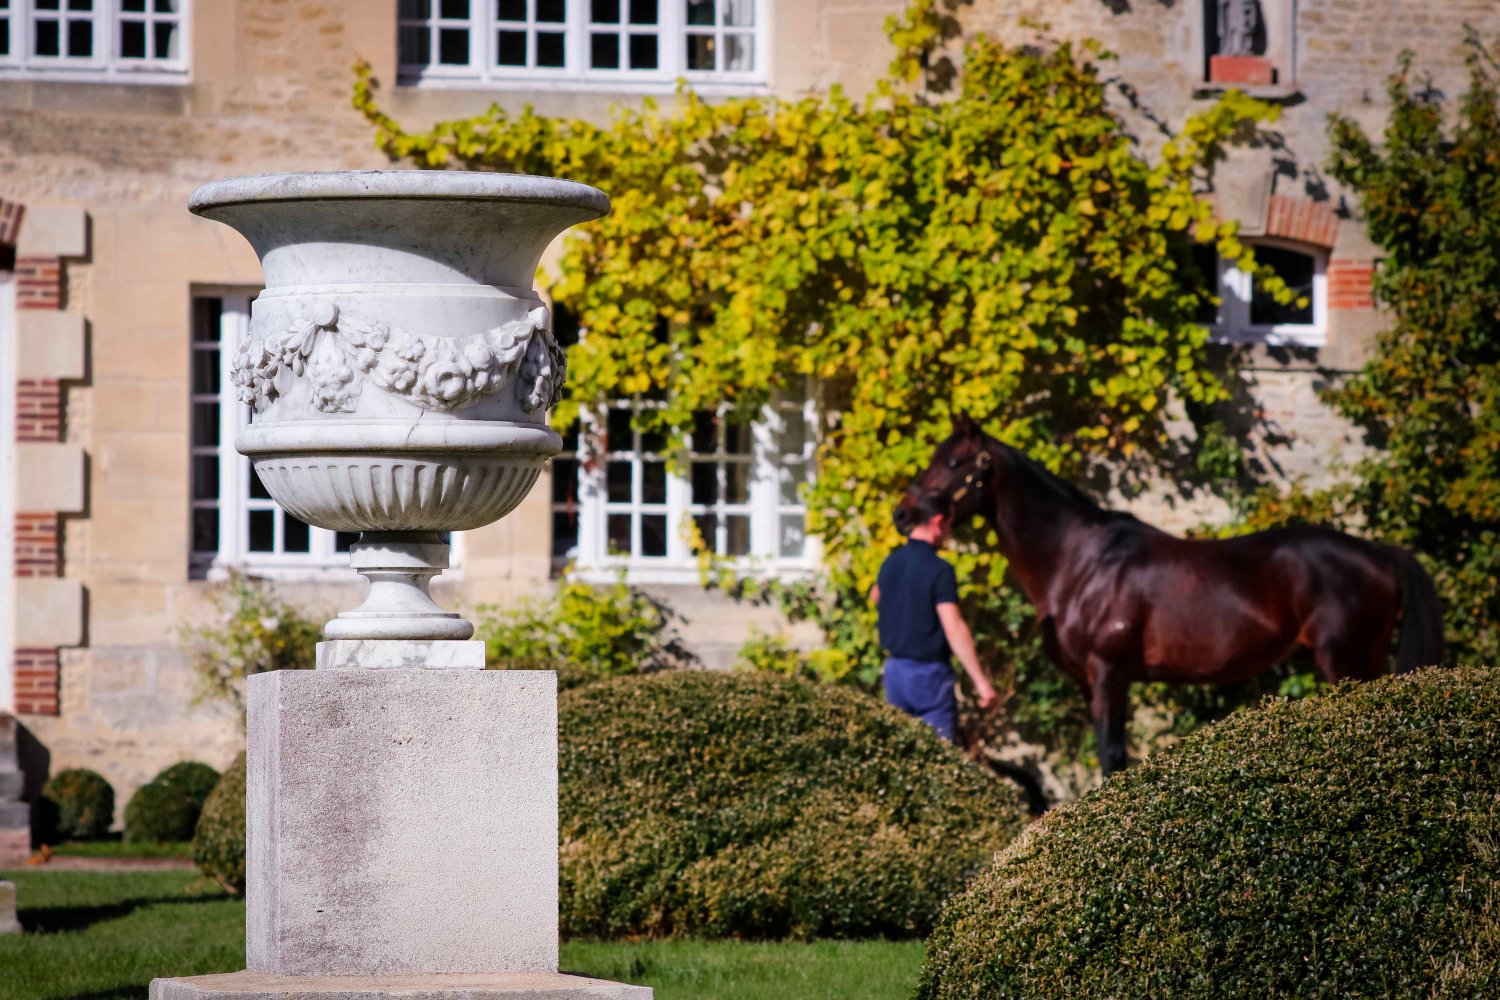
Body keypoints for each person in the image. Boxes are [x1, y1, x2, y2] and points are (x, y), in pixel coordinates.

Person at [871, 488, 998, 743]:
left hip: (894, 672)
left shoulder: (891, 562)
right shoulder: (939, 569)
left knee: (899, 752)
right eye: (950, 525)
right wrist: (981, 682)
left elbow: (876, 596)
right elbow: (954, 627)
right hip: (928, 678)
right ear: (938, 522)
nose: (949, 533)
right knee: (938, 754)